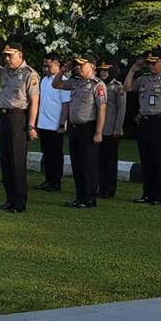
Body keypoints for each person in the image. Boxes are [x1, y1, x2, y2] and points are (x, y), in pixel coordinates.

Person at [124, 52, 161, 205]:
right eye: (148, 63)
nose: (151, 66)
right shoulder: (143, 79)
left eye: (153, 63)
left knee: (160, 159)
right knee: (146, 159)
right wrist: (133, 69)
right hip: (145, 121)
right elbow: (127, 87)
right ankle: (147, 194)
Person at [0, 42, 40, 213]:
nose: (7, 58)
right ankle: (9, 199)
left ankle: (19, 202)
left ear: (20, 54)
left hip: (18, 117)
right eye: (5, 55)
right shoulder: (5, 71)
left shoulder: (29, 74)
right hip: (4, 116)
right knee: (6, 160)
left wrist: (31, 125)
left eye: (10, 55)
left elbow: (34, 102)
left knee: (17, 161)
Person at [52, 55, 107, 209]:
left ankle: (89, 198)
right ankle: (79, 196)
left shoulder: (98, 85)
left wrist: (98, 132)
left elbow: (102, 109)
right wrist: (63, 70)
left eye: (81, 65)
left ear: (92, 66)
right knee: (77, 164)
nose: (78, 68)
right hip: (74, 128)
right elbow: (56, 84)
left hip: (88, 127)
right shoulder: (75, 82)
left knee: (88, 164)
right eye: (76, 65)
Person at [34, 53, 70, 192]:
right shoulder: (44, 80)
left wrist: (62, 124)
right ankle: (48, 179)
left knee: (56, 154)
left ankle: (56, 181)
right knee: (47, 153)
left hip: (55, 124)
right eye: (44, 65)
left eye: (48, 65)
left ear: (57, 65)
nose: (46, 68)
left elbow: (65, 104)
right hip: (44, 123)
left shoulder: (63, 81)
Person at [97, 61, 127, 198]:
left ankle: (109, 189)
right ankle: (100, 187)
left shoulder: (118, 87)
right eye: (101, 70)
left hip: (111, 128)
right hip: (99, 129)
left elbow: (122, 109)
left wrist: (118, 127)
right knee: (99, 160)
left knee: (110, 161)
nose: (103, 73)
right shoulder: (98, 85)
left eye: (106, 70)